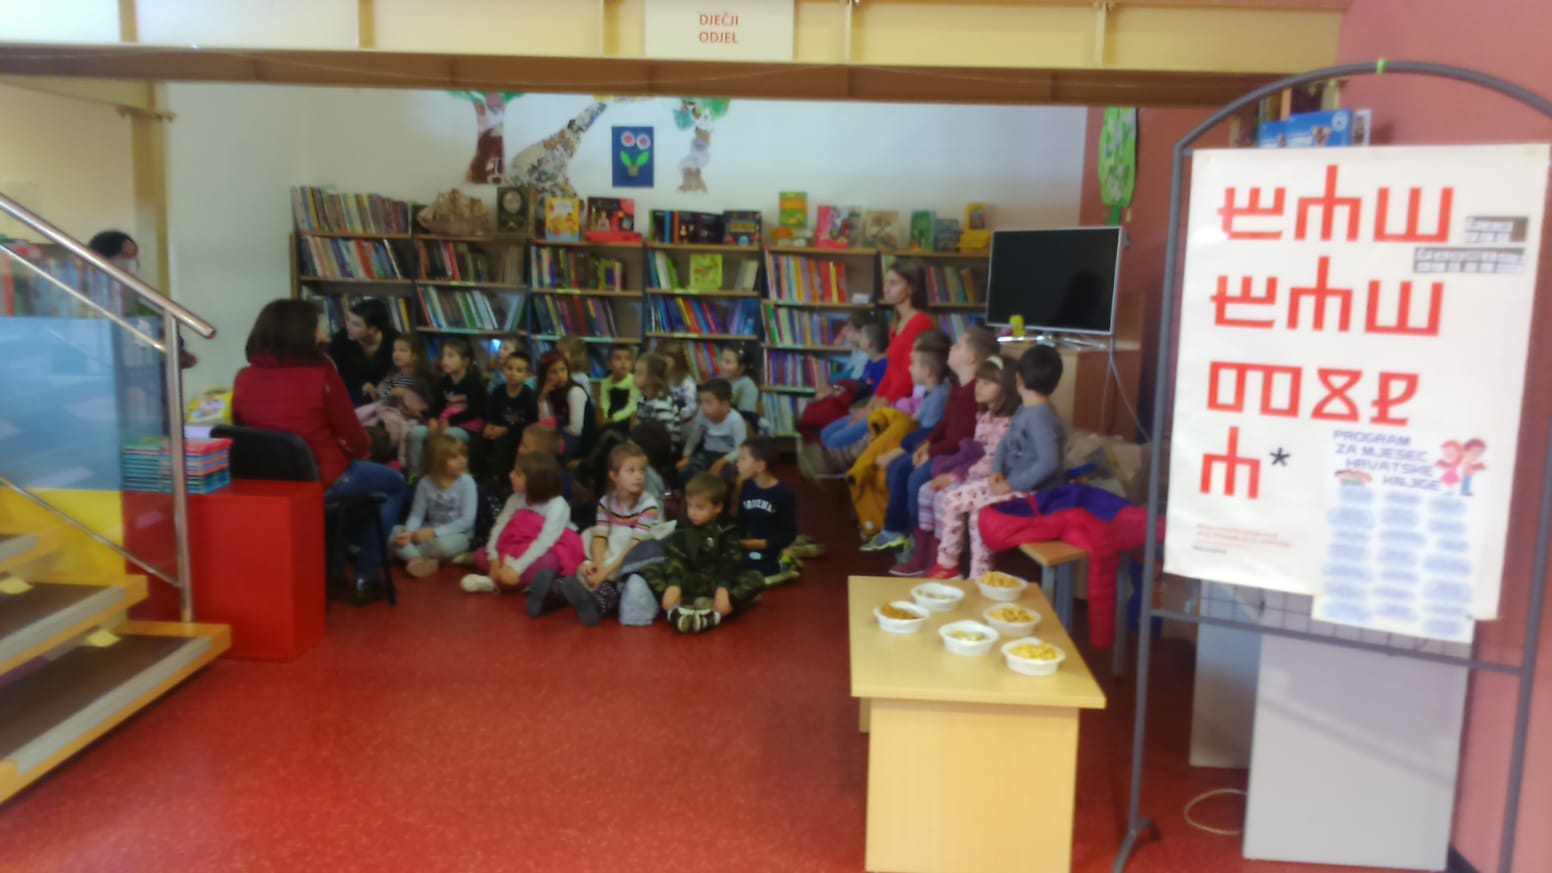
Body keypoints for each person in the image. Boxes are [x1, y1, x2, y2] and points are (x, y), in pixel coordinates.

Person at [232, 299, 408, 602]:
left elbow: (243, 431)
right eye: (318, 328)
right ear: (303, 333)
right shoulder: (323, 375)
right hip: (322, 479)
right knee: (395, 484)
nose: (324, 334)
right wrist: (356, 451)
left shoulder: (243, 378)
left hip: (268, 484)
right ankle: (366, 575)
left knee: (350, 492)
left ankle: (336, 568)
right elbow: (355, 439)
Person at [928, 345, 1066, 580]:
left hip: (1033, 494)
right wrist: (996, 471)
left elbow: (1049, 463)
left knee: (973, 510)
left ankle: (971, 574)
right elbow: (1004, 444)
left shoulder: (1041, 416)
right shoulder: (1026, 408)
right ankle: (958, 569)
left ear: (1018, 379)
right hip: (1010, 482)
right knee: (958, 503)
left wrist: (1011, 484)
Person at [875, 328, 999, 563]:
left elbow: (962, 437)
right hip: (946, 450)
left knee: (916, 479)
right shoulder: (957, 386)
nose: (952, 348)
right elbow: (945, 423)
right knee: (900, 467)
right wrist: (928, 444)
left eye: (958, 345)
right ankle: (906, 533)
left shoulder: (975, 391)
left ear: (971, 358)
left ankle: (923, 545)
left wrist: (931, 452)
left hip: (962, 457)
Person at [893, 354, 1018, 576]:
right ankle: (927, 555)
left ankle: (948, 562)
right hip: (972, 473)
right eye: (979, 381)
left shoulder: (1006, 423)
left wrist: (955, 477)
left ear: (1006, 388)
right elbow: (973, 451)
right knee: (926, 491)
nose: (979, 387)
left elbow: (991, 462)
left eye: (988, 383)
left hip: (988, 479)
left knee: (944, 498)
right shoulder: (985, 415)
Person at [554, 442, 667, 627]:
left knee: (622, 539)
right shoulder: (606, 502)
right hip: (611, 555)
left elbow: (635, 546)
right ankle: (555, 593)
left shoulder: (648, 504)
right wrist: (599, 565)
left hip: (633, 557)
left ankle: (595, 603)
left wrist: (605, 572)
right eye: (631, 471)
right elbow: (600, 536)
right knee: (590, 538)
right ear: (614, 475)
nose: (638, 476)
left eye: (642, 470)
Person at [637, 472, 765, 634]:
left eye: (700, 507)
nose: (693, 512)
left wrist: (723, 588)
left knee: (755, 578)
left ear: (718, 507)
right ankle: (677, 609)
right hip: (688, 580)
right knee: (650, 568)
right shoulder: (683, 527)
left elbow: (731, 563)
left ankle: (713, 613)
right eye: (690, 506)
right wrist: (674, 584)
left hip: (714, 582)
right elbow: (675, 557)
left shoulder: (727, 530)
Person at [461, 451, 583, 598]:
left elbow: (545, 542)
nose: (511, 475)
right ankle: (511, 579)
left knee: (549, 563)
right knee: (481, 554)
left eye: (518, 474)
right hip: (514, 547)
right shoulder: (515, 499)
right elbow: (499, 527)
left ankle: (494, 582)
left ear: (535, 480)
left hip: (544, 551)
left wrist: (516, 568)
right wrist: (493, 558)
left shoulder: (558, 506)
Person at [392, 432, 477, 578]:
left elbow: (467, 521)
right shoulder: (425, 482)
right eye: (454, 457)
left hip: (458, 534)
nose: (462, 460)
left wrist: (433, 533)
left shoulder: (467, 482)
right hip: (428, 531)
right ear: (438, 461)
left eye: (464, 455)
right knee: (395, 532)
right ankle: (421, 560)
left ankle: (410, 555)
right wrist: (410, 533)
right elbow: (417, 515)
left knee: (442, 546)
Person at [357, 333, 436, 471]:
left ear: (415, 356)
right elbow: (384, 394)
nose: (396, 354)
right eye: (395, 350)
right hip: (390, 412)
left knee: (384, 429)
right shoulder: (395, 374)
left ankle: (391, 464)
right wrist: (374, 390)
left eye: (402, 350)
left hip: (411, 418)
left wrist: (402, 394)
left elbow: (422, 406)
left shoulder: (422, 379)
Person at [409, 337, 487, 475]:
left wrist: (450, 422)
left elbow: (476, 410)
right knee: (416, 432)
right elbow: (436, 406)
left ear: (465, 361)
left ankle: (444, 476)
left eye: (450, 356)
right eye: (443, 356)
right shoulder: (444, 382)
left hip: (465, 427)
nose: (444, 360)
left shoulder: (473, 383)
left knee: (448, 435)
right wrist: (433, 419)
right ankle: (416, 475)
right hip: (443, 423)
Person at [870, 259, 936, 405]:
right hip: (891, 400)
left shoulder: (920, 322)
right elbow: (891, 372)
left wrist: (883, 404)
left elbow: (908, 377)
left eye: (893, 283)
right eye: (886, 283)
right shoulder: (897, 323)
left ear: (911, 288)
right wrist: (874, 401)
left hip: (906, 404)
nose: (886, 289)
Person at [735, 437, 799, 587]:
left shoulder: (783, 494)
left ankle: (785, 564)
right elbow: (741, 520)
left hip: (769, 548)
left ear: (760, 465)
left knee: (753, 568)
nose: (738, 464)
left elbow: (789, 534)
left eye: (743, 459)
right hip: (748, 545)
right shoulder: (746, 487)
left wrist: (762, 544)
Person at [479, 349, 538, 480]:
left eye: (519, 370)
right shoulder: (498, 391)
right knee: (480, 439)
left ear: (527, 375)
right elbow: (491, 413)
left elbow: (532, 422)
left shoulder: (529, 396)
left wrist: (507, 430)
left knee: (504, 444)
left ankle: (503, 480)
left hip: (517, 433)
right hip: (498, 429)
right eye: (510, 368)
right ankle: (480, 475)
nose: (513, 373)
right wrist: (489, 425)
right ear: (504, 370)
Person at [329, 299, 399, 407]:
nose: (348, 326)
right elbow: (335, 373)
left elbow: (410, 376)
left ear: (372, 329)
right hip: (354, 390)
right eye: (348, 320)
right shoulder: (340, 339)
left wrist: (388, 387)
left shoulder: (396, 341)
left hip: (388, 391)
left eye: (355, 324)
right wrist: (362, 384)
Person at [678, 378, 747, 483]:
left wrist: (721, 462)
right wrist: (686, 456)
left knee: (725, 478)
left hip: (728, 457)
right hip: (707, 454)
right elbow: (694, 437)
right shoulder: (702, 414)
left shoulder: (736, 421)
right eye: (701, 402)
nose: (703, 407)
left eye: (708, 402)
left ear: (725, 405)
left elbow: (740, 449)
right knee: (685, 473)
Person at [535, 351, 594, 459]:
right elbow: (546, 424)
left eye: (563, 370)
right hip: (562, 437)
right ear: (545, 375)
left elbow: (575, 430)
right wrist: (543, 399)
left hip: (580, 441)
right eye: (554, 372)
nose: (560, 375)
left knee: (547, 451)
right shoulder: (552, 392)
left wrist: (554, 431)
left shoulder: (575, 391)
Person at [599, 344, 641, 435]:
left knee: (609, 433)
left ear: (632, 364)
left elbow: (632, 407)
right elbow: (604, 402)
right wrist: (604, 416)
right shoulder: (605, 382)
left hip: (626, 418)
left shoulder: (634, 381)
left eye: (627, 359)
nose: (623, 363)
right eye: (618, 359)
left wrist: (613, 419)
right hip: (610, 417)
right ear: (609, 364)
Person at [657, 340, 700, 427]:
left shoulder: (687, 382)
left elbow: (691, 407)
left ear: (677, 359)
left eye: (666, 356)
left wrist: (676, 418)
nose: (662, 360)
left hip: (680, 422)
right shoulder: (658, 378)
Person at [719, 345, 760, 415]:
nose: (722, 364)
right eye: (721, 360)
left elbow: (747, 416)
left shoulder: (748, 386)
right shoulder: (718, 381)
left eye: (728, 362)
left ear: (742, 368)